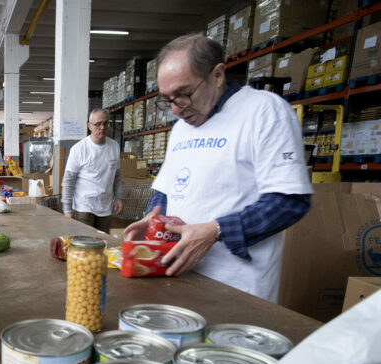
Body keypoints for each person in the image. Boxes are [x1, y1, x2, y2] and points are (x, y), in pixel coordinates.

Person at [123, 33, 313, 302]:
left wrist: (215, 232)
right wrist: (153, 218)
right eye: (167, 99)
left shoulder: (264, 112)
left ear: (217, 75)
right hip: (178, 276)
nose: (175, 109)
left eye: (184, 94)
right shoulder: (181, 129)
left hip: (237, 287)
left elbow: (289, 201)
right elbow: (166, 190)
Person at [61, 108, 124, 233]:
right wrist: (67, 210)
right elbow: (68, 181)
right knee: (85, 245)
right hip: (84, 207)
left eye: (105, 123)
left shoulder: (114, 147)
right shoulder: (79, 149)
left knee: (103, 243)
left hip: (105, 207)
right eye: (98, 124)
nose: (102, 127)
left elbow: (116, 175)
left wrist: (119, 197)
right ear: (89, 126)